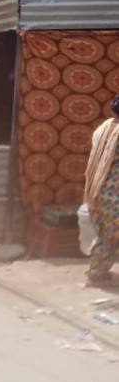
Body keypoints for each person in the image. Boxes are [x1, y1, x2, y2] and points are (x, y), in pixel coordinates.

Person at [84, 94, 119, 286]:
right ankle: (96, 274)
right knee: (111, 236)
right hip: (115, 193)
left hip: (98, 190)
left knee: (106, 234)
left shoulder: (103, 128)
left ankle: (97, 271)